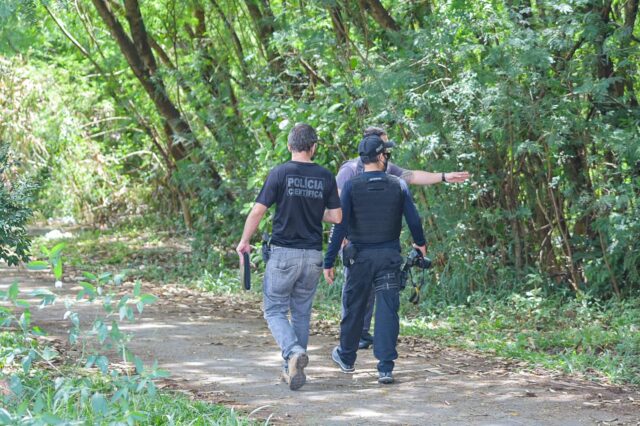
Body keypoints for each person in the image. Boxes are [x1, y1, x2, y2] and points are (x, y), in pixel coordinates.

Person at [334, 126, 469, 350]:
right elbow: (337, 207)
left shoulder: (386, 167)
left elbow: (412, 175)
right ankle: (350, 336)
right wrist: (342, 239)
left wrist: (444, 177)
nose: (388, 151)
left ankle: (363, 333)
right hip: (354, 241)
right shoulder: (349, 171)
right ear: (374, 148)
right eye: (385, 145)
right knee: (356, 289)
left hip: (380, 241)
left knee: (375, 289)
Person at [236, 123, 342, 391]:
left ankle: (293, 352)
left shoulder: (280, 172)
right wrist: (312, 209)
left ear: (289, 145)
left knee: (274, 309)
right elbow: (336, 217)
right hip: (313, 255)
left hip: (284, 254)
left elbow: (258, 211)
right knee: (302, 312)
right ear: (313, 147)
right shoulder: (326, 176)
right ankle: (292, 369)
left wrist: (244, 241)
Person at [324, 134, 427, 384]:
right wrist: (420, 244)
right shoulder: (397, 185)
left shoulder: (352, 186)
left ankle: (347, 358)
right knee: (387, 310)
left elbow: (340, 225)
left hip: (359, 259)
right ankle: (385, 368)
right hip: (388, 258)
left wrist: (329, 260)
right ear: (380, 156)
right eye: (386, 153)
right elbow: (413, 219)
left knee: (354, 307)